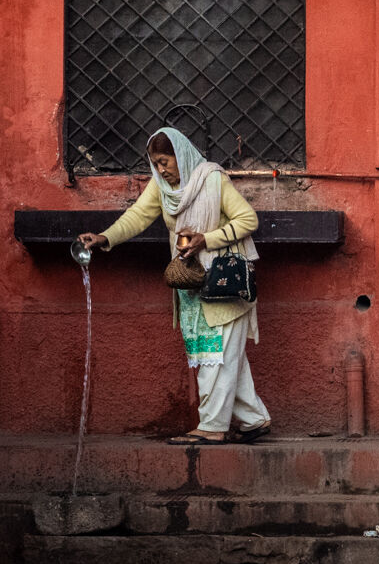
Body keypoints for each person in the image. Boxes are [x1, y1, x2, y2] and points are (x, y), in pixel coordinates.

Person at [77, 127, 271, 446]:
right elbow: (138, 216)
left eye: (165, 161)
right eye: (156, 163)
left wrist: (206, 239)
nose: (162, 169)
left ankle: (212, 426)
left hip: (223, 280)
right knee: (224, 353)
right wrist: (105, 238)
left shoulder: (212, 179)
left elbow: (248, 220)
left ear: (181, 155)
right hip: (191, 283)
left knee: (217, 355)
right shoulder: (162, 188)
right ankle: (254, 419)